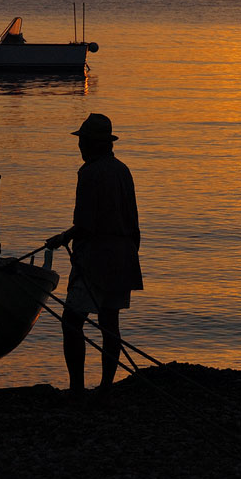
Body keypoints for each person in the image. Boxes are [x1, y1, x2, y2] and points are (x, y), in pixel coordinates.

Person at [46, 113, 143, 401]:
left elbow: (85, 223)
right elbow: (133, 221)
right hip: (123, 256)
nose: (80, 147)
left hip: (96, 260)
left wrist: (63, 238)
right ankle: (105, 387)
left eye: (83, 142)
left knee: (72, 321)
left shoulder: (88, 173)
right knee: (109, 323)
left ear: (92, 144)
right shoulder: (123, 171)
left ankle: (77, 388)